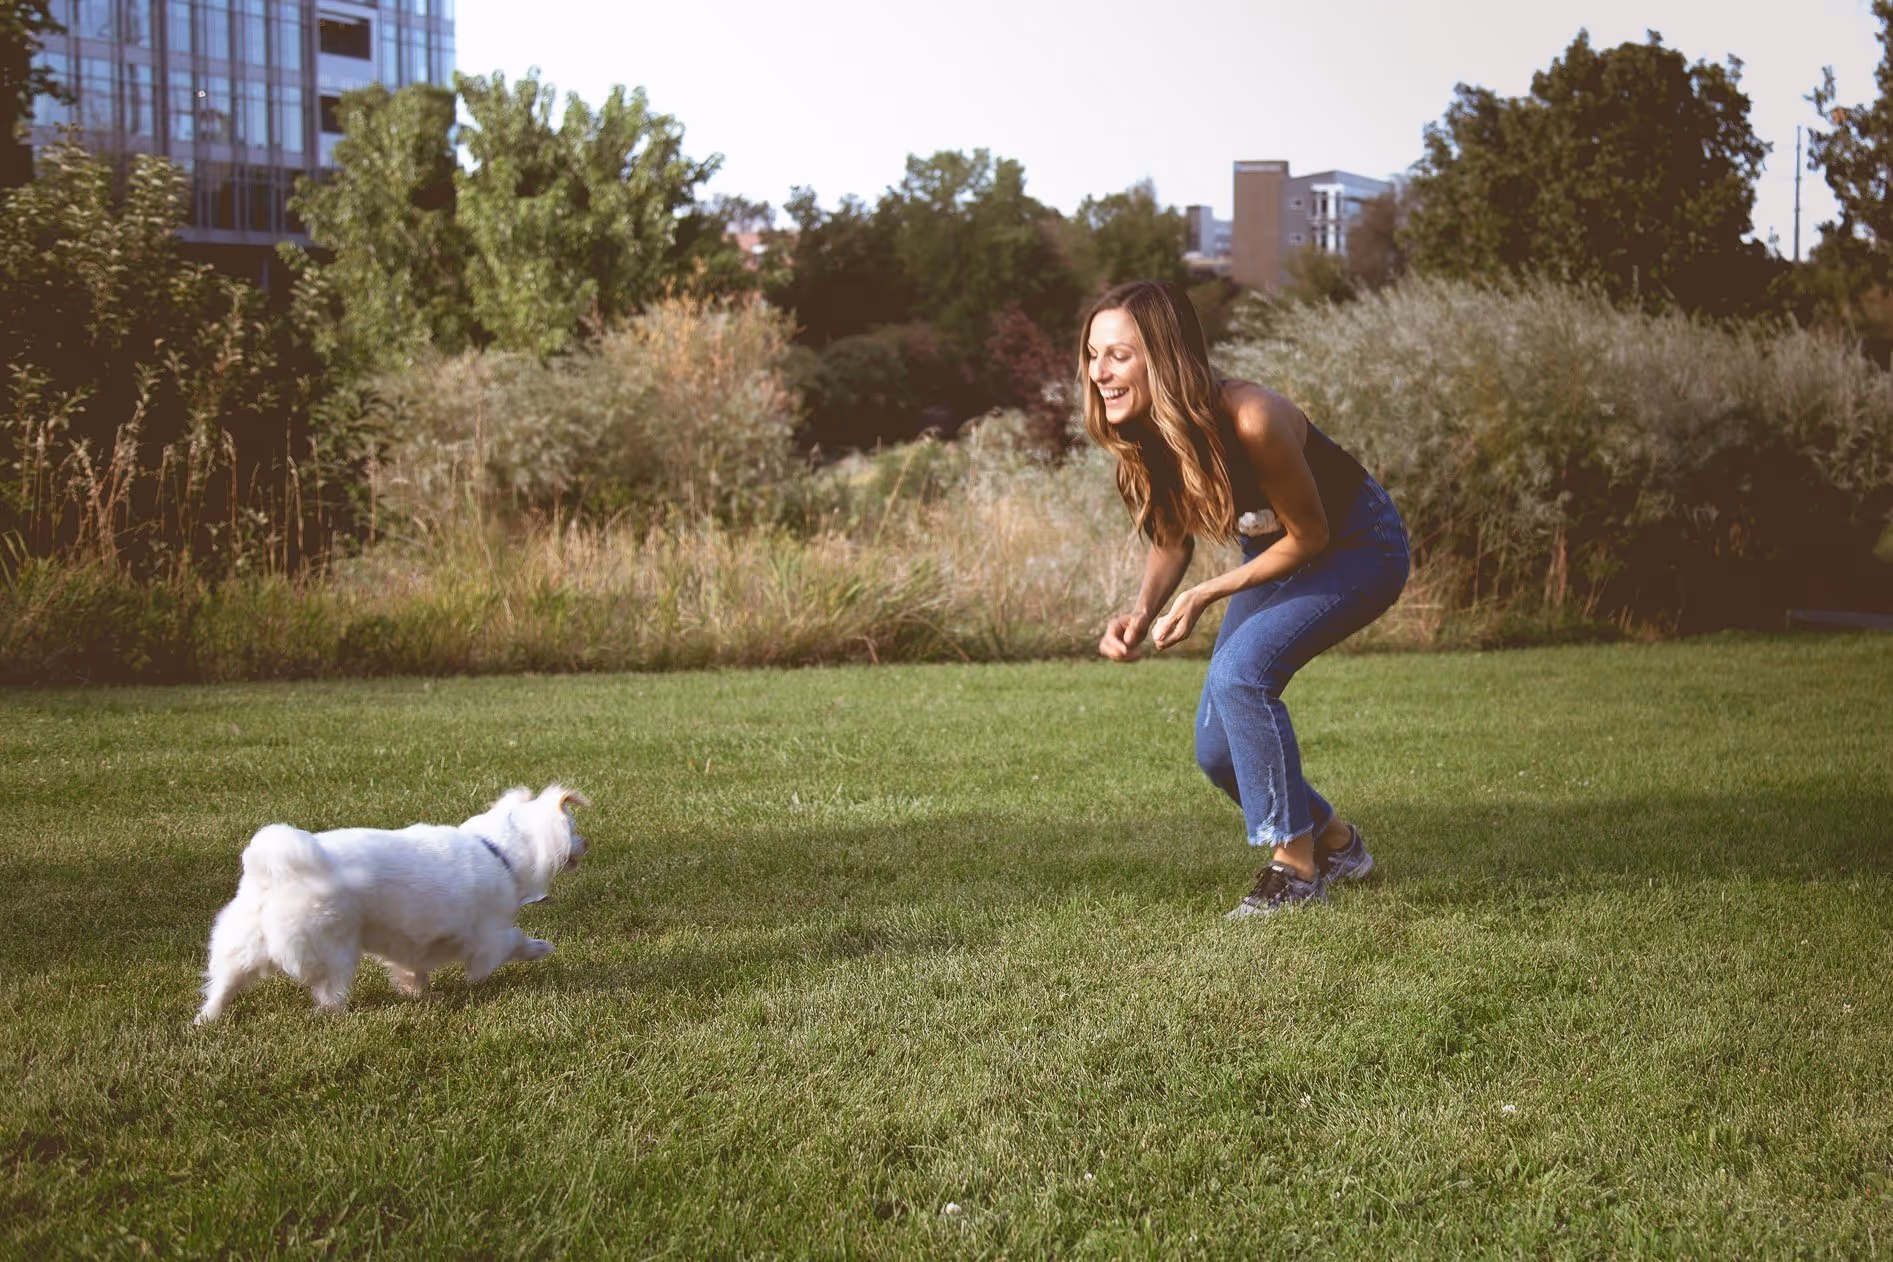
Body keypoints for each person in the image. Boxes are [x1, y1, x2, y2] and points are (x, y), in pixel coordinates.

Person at [1083, 280, 1410, 917]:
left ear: (1165, 355)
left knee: (1242, 677)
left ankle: (1294, 869)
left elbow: (1312, 535)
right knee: (1217, 750)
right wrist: (1140, 611)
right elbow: (1171, 540)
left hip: (1359, 547)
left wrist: (1208, 592)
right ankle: (1338, 845)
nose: (1099, 372)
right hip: (1277, 551)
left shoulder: (1251, 417)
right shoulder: (1148, 430)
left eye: (1118, 355)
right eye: (1093, 355)